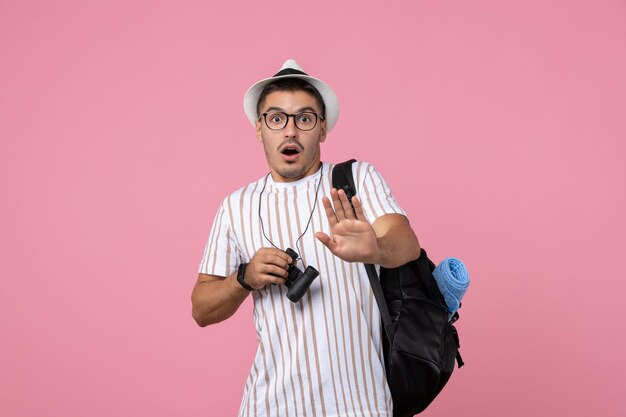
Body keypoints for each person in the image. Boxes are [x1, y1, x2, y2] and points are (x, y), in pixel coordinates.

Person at [192, 59, 421, 417]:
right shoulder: (235, 206)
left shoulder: (357, 179)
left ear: (323, 128)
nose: (290, 132)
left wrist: (375, 249)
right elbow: (201, 310)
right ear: (259, 128)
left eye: (304, 118)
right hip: (270, 406)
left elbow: (407, 245)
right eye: (276, 118)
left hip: (360, 405)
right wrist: (244, 278)